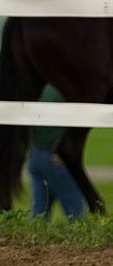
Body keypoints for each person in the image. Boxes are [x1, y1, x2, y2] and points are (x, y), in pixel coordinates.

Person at [28, 84, 87, 219]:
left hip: (35, 156)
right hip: (54, 158)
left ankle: (33, 239)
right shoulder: (66, 89)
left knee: (39, 213)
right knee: (77, 212)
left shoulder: (44, 88)